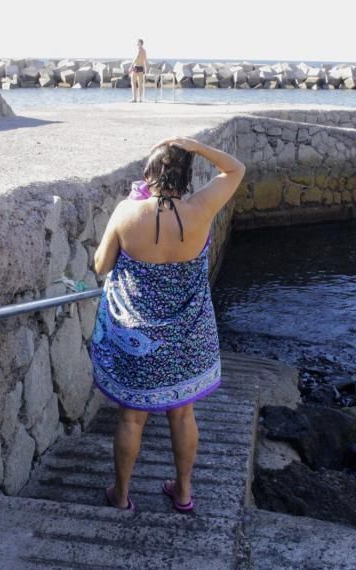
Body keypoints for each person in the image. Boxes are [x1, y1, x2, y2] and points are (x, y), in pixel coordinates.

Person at [91, 137, 245, 513]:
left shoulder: (128, 213)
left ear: (148, 174)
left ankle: (123, 494)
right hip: (190, 336)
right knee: (183, 412)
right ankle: (183, 493)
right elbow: (235, 169)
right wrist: (196, 146)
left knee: (131, 416)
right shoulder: (202, 207)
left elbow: (101, 266)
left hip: (138, 337)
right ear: (187, 176)